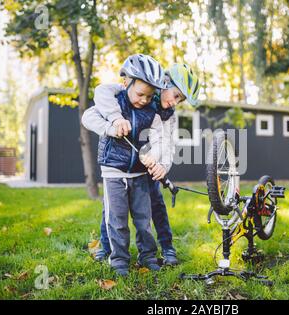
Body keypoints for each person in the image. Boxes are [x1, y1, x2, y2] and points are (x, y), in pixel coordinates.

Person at [82, 63, 200, 266]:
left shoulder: (168, 115)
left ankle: (166, 247)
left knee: (156, 205)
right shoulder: (135, 91)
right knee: (112, 209)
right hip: (121, 164)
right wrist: (114, 122)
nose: (175, 102)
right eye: (175, 95)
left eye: (180, 100)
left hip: (147, 167)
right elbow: (103, 95)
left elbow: (168, 143)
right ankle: (107, 247)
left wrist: (162, 165)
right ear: (164, 83)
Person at [84, 54, 166, 277]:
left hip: (139, 175)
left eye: (150, 96)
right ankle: (119, 259)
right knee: (117, 219)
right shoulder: (113, 102)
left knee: (143, 219)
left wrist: (153, 155)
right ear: (125, 83)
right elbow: (88, 118)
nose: (144, 100)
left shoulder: (151, 112)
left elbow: (159, 140)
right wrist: (113, 124)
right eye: (140, 94)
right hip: (113, 173)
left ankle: (148, 256)